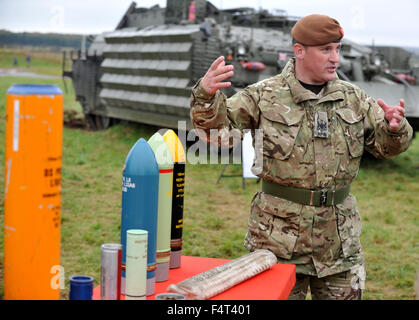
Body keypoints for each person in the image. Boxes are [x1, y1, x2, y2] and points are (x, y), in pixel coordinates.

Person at [189, 14, 413, 300]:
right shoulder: (263, 95)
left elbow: (385, 147)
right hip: (277, 243)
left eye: (338, 49)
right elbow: (217, 135)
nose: (335, 58)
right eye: (325, 50)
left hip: (339, 245)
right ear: (299, 51)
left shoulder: (353, 98)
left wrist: (395, 129)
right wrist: (206, 98)